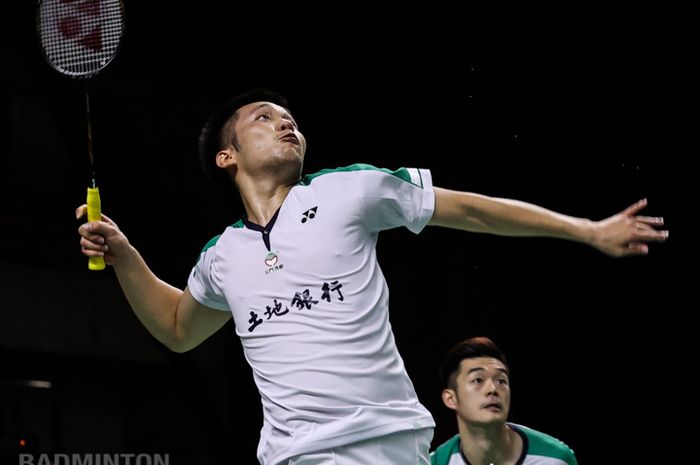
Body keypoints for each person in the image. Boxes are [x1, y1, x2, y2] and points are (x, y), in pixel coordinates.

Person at [76, 88, 666, 465]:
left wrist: (587, 230)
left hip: (385, 445)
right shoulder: (223, 256)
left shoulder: (347, 190)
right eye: (265, 119)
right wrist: (125, 255)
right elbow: (179, 327)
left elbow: (474, 210)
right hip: (295, 456)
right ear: (226, 157)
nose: (288, 126)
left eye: (292, 121)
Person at [430, 337, 578, 465]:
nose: (492, 389)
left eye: (501, 381)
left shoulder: (556, 459)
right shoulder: (435, 462)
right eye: (478, 380)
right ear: (451, 399)